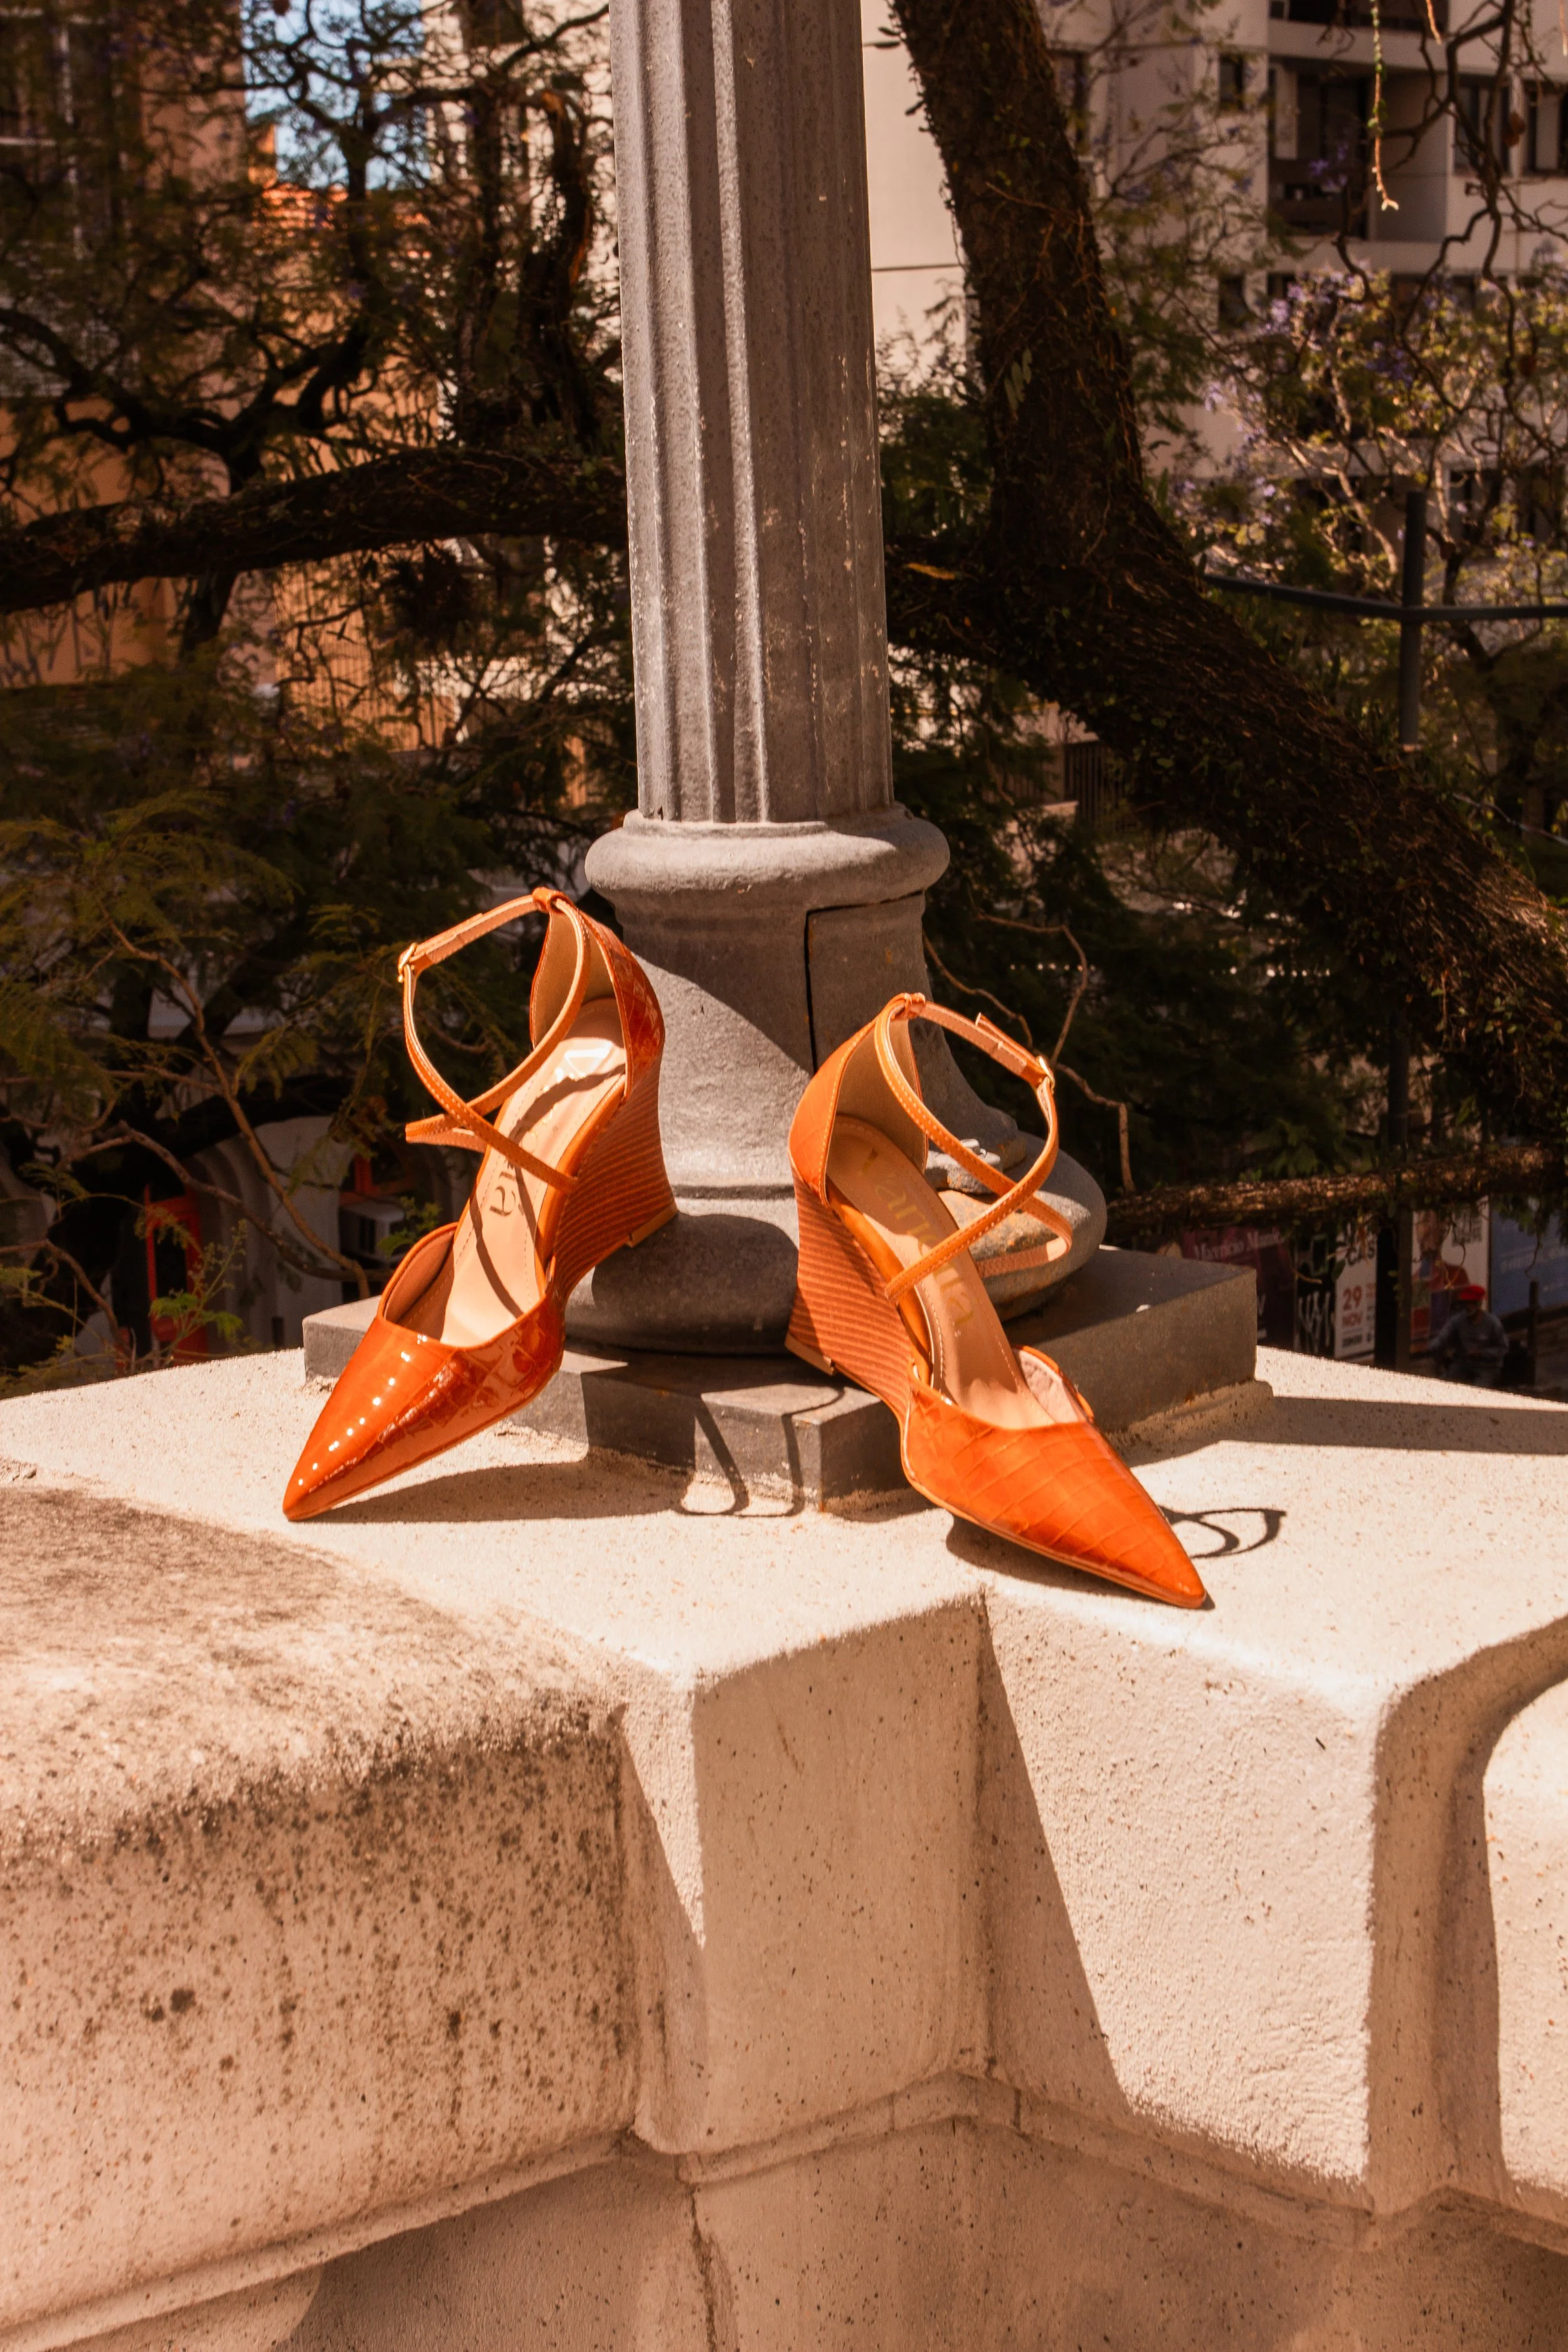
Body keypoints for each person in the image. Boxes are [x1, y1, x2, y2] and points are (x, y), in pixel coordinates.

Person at [1429, 1283, 1508, 1387]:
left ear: (1479, 1304)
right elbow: (1444, 1335)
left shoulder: (1493, 1323)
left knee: (1479, 1389)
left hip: (1486, 1367)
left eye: (1471, 1303)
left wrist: (1482, 1353)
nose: (1468, 1306)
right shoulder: (1458, 1320)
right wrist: (1434, 1346)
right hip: (1463, 1363)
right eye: (1466, 1303)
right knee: (1449, 1383)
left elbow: (1503, 1349)